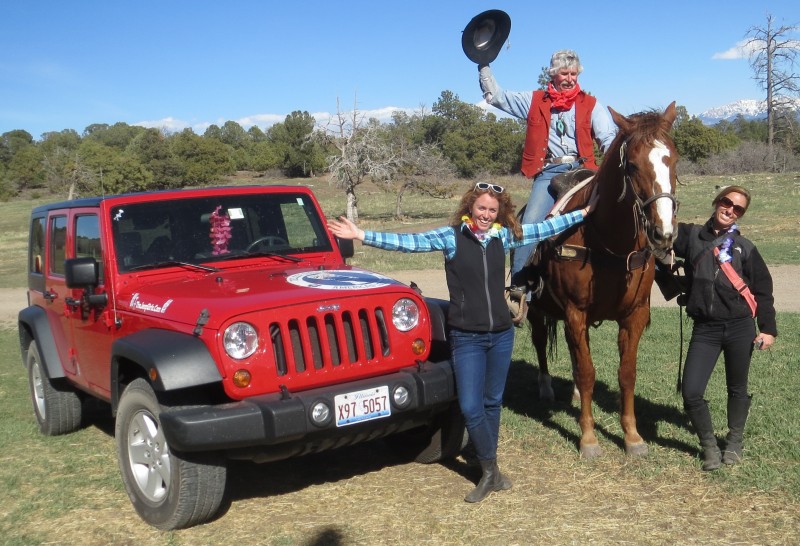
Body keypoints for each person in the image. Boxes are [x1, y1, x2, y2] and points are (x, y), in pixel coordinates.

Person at [328, 181, 596, 502]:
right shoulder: (451, 237)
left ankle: (487, 470)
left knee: (492, 402)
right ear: (471, 206)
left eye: (492, 210)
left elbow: (546, 227)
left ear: (501, 212)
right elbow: (408, 242)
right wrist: (361, 235)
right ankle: (491, 468)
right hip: (466, 337)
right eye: (481, 207)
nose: (486, 214)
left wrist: (582, 212)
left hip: (500, 335)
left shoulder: (504, 235)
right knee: (470, 406)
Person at [477, 49, 617, 296]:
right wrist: (483, 65)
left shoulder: (591, 104)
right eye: (564, 73)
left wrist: (615, 158)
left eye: (574, 73)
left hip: (585, 170)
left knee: (623, 210)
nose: (570, 78)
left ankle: (650, 268)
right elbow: (497, 97)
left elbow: (608, 138)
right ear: (553, 74)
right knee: (528, 224)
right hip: (549, 172)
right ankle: (520, 289)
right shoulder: (535, 100)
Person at [671, 186, 777, 471]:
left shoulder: (746, 247)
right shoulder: (691, 235)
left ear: (741, 214)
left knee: (737, 388)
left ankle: (734, 442)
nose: (730, 209)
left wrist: (767, 329)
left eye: (738, 208)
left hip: (740, 327)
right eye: (727, 202)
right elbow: (659, 227)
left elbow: (763, 291)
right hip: (705, 329)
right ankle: (709, 446)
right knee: (691, 391)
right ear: (717, 202)